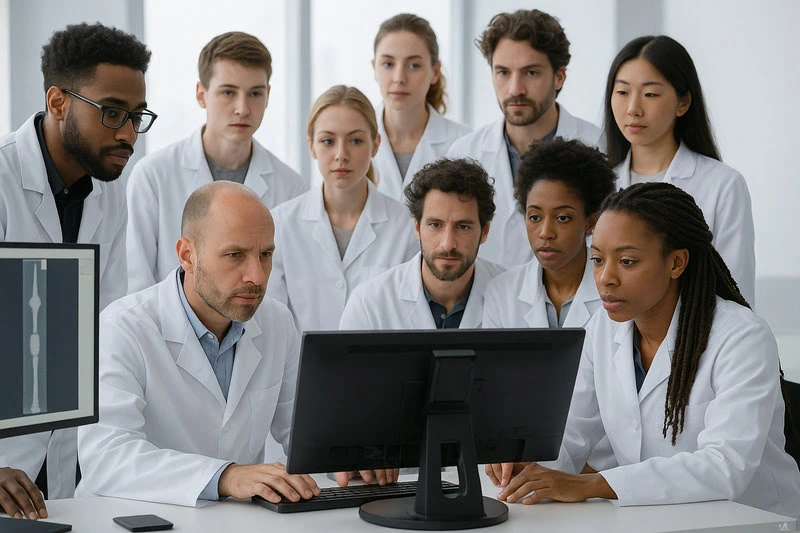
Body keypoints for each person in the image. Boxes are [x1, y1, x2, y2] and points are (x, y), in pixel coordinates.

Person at [487, 182, 800, 518]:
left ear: (676, 262)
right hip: (653, 518)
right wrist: (529, 459)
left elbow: (725, 467)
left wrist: (591, 484)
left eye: (627, 261)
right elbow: (572, 430)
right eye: (597, 259)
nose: (605, 277)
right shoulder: (602, 330)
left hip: (753, 519)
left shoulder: (742, 338)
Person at [76, 182, 319, 506]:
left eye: (266, 254)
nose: (257, 276)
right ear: (187, 255)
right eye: (235, 255)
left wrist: (354, 462)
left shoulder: (276, 322)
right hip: (128, 518)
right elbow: (107, 458)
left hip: (233, 520)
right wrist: (226, 476)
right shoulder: (122, 327)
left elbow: (302, 433)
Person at [0, 22, 154, 519]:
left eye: (136, 116)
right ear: (59, 102)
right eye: (112, 113)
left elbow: (104, 327)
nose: (128, 134)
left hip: (70, 455)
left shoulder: (108, 195)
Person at [126, 31, 308, 293]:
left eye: (255, 93)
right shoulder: (153, 176)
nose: (242, 108)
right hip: (169, 332)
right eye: (228, 92)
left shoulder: (290, 186)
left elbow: (292, 289)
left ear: (268, 94)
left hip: (261, 331)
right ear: (201, 94)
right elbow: (136, 284)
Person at [605, 35, 755, 305]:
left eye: (650, 94)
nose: (633, 109)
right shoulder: (600, 185)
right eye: (623, 92)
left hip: (699, 341)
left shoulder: (723, 185)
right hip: (612, 343)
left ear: (683, 103)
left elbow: (735, 294)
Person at [448, 9, 601, 269]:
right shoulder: (464, 152)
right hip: (489, 302)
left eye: (531, 73)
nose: (515, 89)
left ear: (559, 76)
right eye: (503, 72)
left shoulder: (601, 147)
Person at [267, 85, 417, 333]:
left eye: (356, 141)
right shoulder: (282, 225)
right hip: (303, 370)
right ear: (312, 146)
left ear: (376, 144)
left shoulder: (405, 225)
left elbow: (408, 316)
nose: (341, 154)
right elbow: (272, 321)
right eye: (327, 141)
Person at [340, 158, 504, 331]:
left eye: (463, 227)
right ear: (417, 227)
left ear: (485, 231)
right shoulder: (369, 304)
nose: (447, 244)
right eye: (435, 225)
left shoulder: (511, 297)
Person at [482, 138, 616, 329]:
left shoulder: (616, 290)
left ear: (591, 221)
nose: (545, 233)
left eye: (562, 218)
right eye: (535, 217)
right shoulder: (502, 292)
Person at [371, 13, 470, 202]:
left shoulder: (464, 144)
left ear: (435, 72)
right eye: (388, 64)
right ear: (374, 68)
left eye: (414, 65)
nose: (399, 77)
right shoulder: (352, 140)